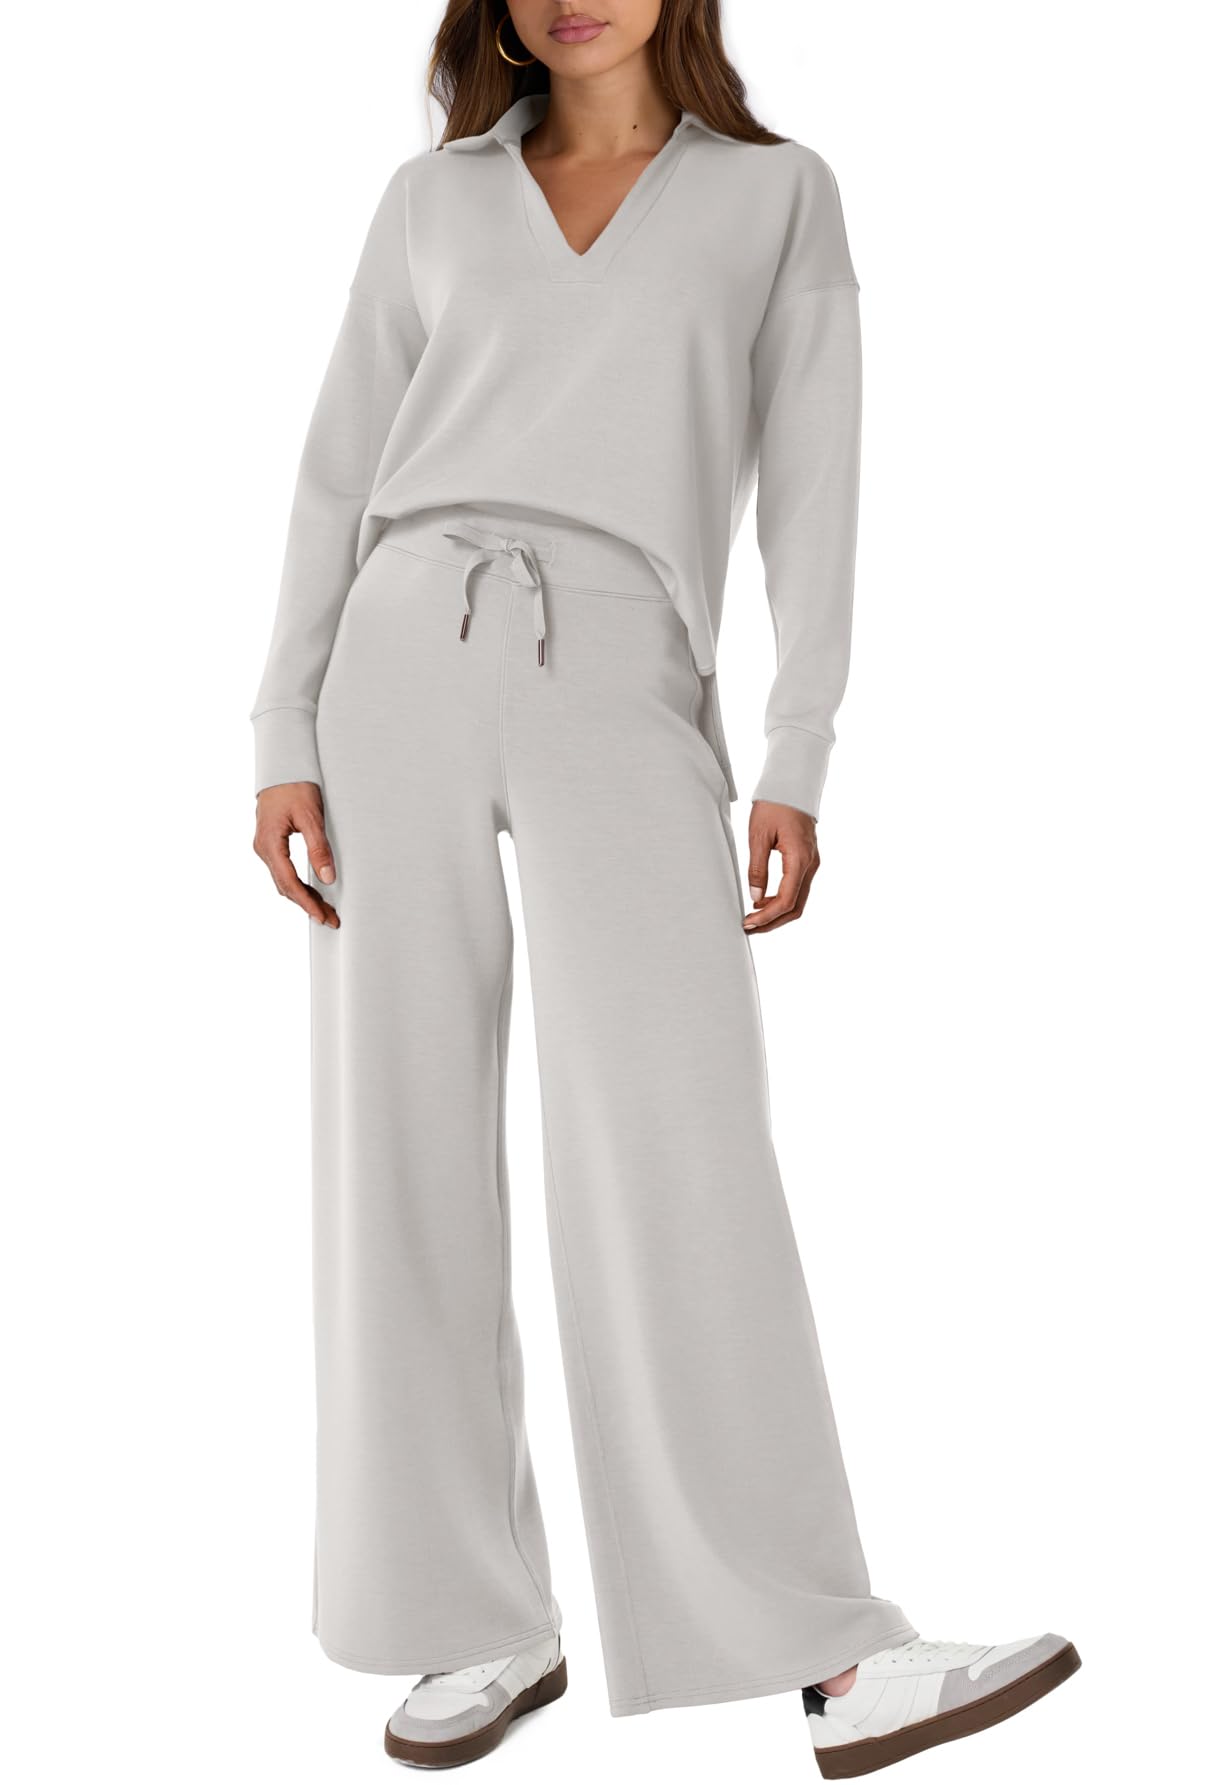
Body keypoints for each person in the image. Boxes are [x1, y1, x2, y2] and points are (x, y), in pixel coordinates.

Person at [250, 2, 1080, 1773]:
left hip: (624, 659)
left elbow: (816, 486)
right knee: (398, 1146)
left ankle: (831, 1650)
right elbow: (334, 469)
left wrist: (798, 749)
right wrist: (278, 725)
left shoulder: (776, 197)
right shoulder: (432, 201)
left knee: (680, 1145)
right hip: (395, 654)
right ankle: (473, 1613)